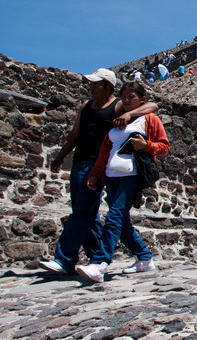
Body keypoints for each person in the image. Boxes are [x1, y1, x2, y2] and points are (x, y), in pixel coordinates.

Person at [39, 69, 158, 275]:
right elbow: (74, 134)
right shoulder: (86, 105)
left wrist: (128, 113)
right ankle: (100, 255)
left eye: (97, 84)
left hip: (102, 165)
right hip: (80, 162)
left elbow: (152, 106)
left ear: (109, 86)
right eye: (91, 84)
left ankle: (66, 259)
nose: (92, 87)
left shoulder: (118, 105)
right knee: (88, 214)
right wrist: (60, 156)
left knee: (86, 212)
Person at [75, 82, 169, 283]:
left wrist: (146, 145)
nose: (126, 100)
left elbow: (164, 146)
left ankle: (99, 263)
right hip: (112, 176)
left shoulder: (149, 119)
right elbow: (105, 150)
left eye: (131, 96)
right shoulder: (117, 121)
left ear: (141, 99)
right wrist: (96, 172)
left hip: (132, 175)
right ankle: (144, 257)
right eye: (124, 97)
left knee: (114, 215)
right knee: (122, 221)